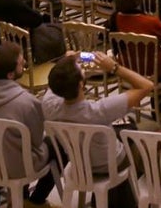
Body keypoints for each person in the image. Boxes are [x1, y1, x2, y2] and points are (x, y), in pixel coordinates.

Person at [42, 52, 153, 208]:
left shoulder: (49, 106)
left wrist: (67, 61)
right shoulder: (99, 111)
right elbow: (147, 86)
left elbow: (56, 81)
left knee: (122, 129)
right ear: (81, 84)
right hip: (109, 165)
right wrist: (114, 67)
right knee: (130, 131)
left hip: (78, 163)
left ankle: (103, 201)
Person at [0, 42, 55, 207]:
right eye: (21, 64)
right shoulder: (26, 102)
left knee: (16, 144)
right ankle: (36, 200)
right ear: (9, 74)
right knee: (59, 145)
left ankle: (18, 198)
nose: (25, 66)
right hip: (19, 167)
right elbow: (36, 141)